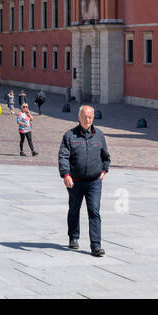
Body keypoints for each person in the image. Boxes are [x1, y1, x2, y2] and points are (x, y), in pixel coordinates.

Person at [58, 105, 110, 257]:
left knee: (94, 211)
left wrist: (104, 171)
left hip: (94, 181)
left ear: (93, 118)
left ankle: (96, 245)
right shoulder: (70, 136)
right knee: (74, 209)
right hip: (75, 181)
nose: (87, 119)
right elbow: (63, 156)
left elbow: (106, 157)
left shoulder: (99, 135)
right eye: (85, 116)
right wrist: (65, 174)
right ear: (79, 117)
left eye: (90, 117)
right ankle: (73, 236)